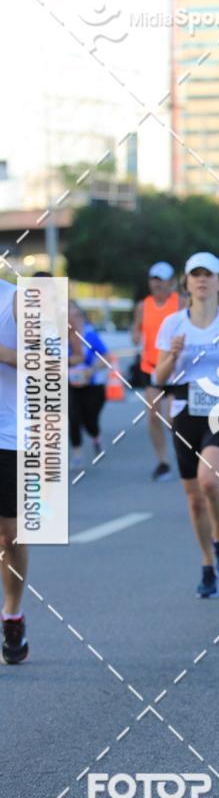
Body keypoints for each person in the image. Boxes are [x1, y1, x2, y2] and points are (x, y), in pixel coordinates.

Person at [154, 253, 219, 599]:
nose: (201, 280)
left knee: (209, 478)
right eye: (194, 275)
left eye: (208, 275)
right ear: (186, 282)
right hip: (184, 409)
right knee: (194, 499)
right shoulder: (173, 324)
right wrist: (171, 354)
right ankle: (208, 563)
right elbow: (158, 376)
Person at [0, 278, 29, 664]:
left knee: (10, 534)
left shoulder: (17, 298)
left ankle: (12, 614)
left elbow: (48, 360)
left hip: (8, 436)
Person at [132, 262, 182, 481]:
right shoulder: (144, 306)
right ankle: (163, 462)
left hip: (174, 367)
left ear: (171, 282)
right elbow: (136, 331)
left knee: (174, 417)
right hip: (151, 367)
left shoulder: (180, 302)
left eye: (162, 280)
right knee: (153, 416)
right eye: (154, 279)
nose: (157, 284)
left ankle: (185, 454)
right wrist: (136, 337)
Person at [68, 301, 109, 469]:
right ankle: (77, 453)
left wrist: (90, 371)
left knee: (89, 420)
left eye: (76, 315)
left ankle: (96, 436)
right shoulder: (58, 336)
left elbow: (105, 357)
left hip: (93, 385)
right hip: (70, 385)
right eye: (68, 316)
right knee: (73, 417)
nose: (73, 319)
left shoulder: (90, 335)